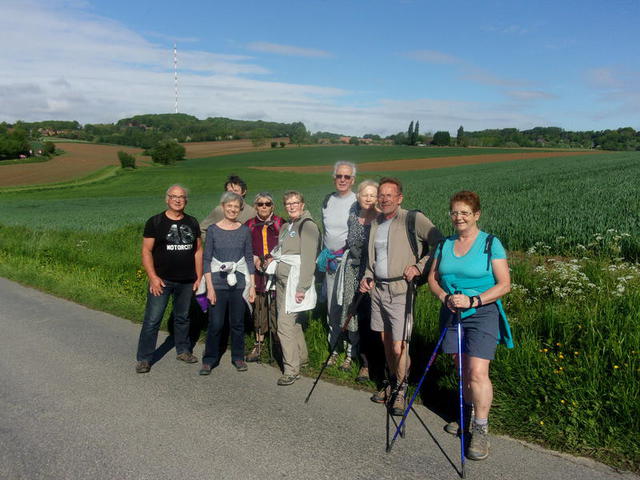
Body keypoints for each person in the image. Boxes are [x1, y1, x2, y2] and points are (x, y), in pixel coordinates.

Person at [427, 190, 513, 461]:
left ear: (476, 215)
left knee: (477, 371)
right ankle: (464, 414)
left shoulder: (490, 243)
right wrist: (444, 297)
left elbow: (504, 285)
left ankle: (480, 428)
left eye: (465, 212)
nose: (459, 217)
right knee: (460, 367)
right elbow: (432, 278)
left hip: (482, 312)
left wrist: (474, 300)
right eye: (455, 212)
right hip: (452, 312)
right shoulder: (444, 245)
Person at [359, 177, 442, 415]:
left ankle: (401, 389)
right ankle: (391, 381)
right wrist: (367, 276)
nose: (384, 199)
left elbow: (440, 242)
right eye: (381, 195)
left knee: (399, 345)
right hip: (378, 289)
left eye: (389, 195)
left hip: (401, 290)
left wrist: (420, 266)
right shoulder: (375, 223)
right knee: (386, 340)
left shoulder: (412, 218)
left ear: (399, 198)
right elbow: (372, 257)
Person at [135, 184, 203, 373]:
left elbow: (198, 251)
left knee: (182, 318)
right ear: (167, 199)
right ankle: (144, 358)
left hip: (187, 280)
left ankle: (183, 350)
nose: (178, 199)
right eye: (174, 196)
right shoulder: (155, 222)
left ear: (186, 201)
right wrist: (153, 277)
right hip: (162, 281)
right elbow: (146, 251)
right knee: (152, 320)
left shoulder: (192, 222)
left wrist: (198, 277)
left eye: (181, 197)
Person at [199, 192, 256, 375]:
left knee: (237, 323)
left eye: (236, 207)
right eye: (229, 206)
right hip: (217, 283)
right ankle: (209, 359)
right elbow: (207, 260)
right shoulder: (213, 230)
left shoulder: (245, 231)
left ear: (240, 209)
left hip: (239, 284)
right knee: (215, 324)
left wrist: (252, 285)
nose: (232, 209)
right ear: (222, 207)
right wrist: (209, 287)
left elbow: (248, 258)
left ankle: (238, 357)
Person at [268, 191, 319, 386]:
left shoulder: (308, 226)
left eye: (295, 202)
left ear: (303, 204)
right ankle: (302, 358)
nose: (291, 206)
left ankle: (291, 369)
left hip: (294, 282)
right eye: (288, 203)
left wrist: (302, 287)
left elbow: (308, 260)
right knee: (294, 322)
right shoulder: (287, 226)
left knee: (284, 325)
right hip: (282, 281)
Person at [337, 180, 379, 380]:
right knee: (352, 311)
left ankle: (371, 363)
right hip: (352, 270)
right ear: (358, 196)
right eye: (365, 194)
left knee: (371, 315)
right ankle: (354, 354)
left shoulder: (381, 217)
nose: (369, 198)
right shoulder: (353, 213)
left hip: (372, 273)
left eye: (373, 194)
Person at [320, 161, 357, 369]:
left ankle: (352, 352)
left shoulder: (358, 201)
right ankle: (334, 348)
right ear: (334, 178)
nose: (342, 180)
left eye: (347, 177)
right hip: (330, 264)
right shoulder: (327, 201)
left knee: (349, 309)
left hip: (349, 264)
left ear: (353, 180)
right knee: (332, 308)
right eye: (339, 176)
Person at [244, 192, 284, 362]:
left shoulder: (281, 223)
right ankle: (259, 344)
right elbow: (245, 247)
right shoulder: (250, 225)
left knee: (276, 309)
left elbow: (288, 246)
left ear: (272, 206)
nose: (264, 207)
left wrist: (274, 258)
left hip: (277, 273)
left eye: (268, 204)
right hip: (258, 274)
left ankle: (278, 345)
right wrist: (253, 258)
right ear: (255, 206)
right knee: (260, 310)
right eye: (260, 204)